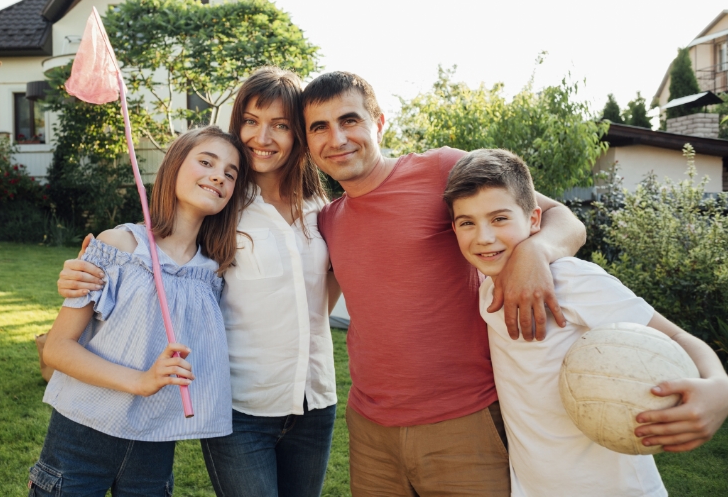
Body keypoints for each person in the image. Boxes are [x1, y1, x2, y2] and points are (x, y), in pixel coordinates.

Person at [57, 67, 339, 497]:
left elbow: (330, 280)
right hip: (243, 401)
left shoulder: (323, 209)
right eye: (251, 120)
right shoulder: (223, 208)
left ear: (297, 132)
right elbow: (160, 249)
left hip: (315, 397)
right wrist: (84, 270)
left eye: (280, 125)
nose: (263, 137)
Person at [300, 72, 586, 495]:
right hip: (370, 430)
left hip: (464, 422)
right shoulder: (326, 220)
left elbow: (564, 218)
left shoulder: (440, 169)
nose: (337, 138)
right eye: (319, 127)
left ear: (378, 124)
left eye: (349, 120)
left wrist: (534, 252)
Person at [444, 148, 728, 496]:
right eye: (467, 223)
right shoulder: (486, 292)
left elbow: (676, 336)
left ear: (534, 219)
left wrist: (719, 385)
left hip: (616, 488)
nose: (484, 237)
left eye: (500, 219)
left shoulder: (569, 279)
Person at [30, 126, 248, 496]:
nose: (218, 176)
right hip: (81, 433)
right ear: (175, 165)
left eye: (230, 173)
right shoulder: (118, 245)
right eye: (207, 162)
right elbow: (56, 348)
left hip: (155, 444)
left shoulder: (214, 273)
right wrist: (140, 381)